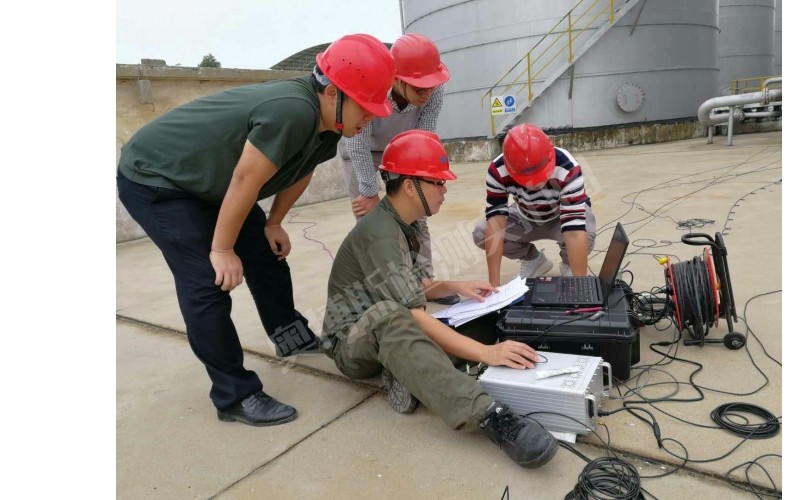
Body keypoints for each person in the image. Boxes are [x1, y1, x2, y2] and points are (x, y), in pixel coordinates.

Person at [116, 34, 395, 427]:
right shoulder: (293, 111)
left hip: (209, 182)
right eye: (366, 108)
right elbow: (246, 179)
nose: (371, 118)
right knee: (207, 280)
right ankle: (234, 396)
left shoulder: (329, 126)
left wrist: (274, 222)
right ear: (334, 93)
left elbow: (301, 170)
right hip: (157, 179)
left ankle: (288, 334)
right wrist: (222, 249)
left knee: (266, 253)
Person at [320, 129, 559, 468]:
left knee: (479, 315)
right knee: (398, 317)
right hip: (349, 341)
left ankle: (407, 373)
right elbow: (410, 312)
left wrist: (454, 286)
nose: (445, 191)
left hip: (386, 321)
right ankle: (489, 415)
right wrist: (486, 353)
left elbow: (413, 286)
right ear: (409, 185)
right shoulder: (380, 235)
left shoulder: (408, 222)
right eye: (438, 183)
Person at [339, 33, 459, 305]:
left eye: (430, 85)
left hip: (404, 149)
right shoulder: (374, 86)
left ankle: (425, 281)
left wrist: (423, 180)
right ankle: (385, 289)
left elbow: (425, 136)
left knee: (418, 212)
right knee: (369, 220)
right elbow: (356, 144)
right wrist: (370, 192)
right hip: (362, 149)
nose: (426, 92)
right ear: (395, 78)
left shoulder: (434, 89)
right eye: (419, 88)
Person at [473, 123, 597, 287]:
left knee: (584, 231)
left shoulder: (567, 166)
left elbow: (574, 230)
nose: (534, 184)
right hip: (524, 217)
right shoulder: (498, 170)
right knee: (482, 233)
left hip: (560, 216)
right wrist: (494, 287)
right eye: (526, 180)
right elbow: (495, 226)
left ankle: (569, 265)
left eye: (540, 176)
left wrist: (581, 288)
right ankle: (534, 260)